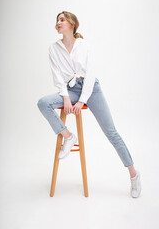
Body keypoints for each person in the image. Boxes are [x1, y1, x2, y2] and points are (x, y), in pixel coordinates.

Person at [37, 11, 141, 198]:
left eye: (62, 20)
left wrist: (82, 100)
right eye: (57, 20)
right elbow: (58, 76)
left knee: (111, 132)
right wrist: (67, 98)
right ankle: (68, 137)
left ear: (71, 23)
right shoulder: (53, 48)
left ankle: (133, 174)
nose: (58, 23)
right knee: (43, 103)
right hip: (69, 90)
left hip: (91, 89)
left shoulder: (84, 45)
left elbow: (90, 74)